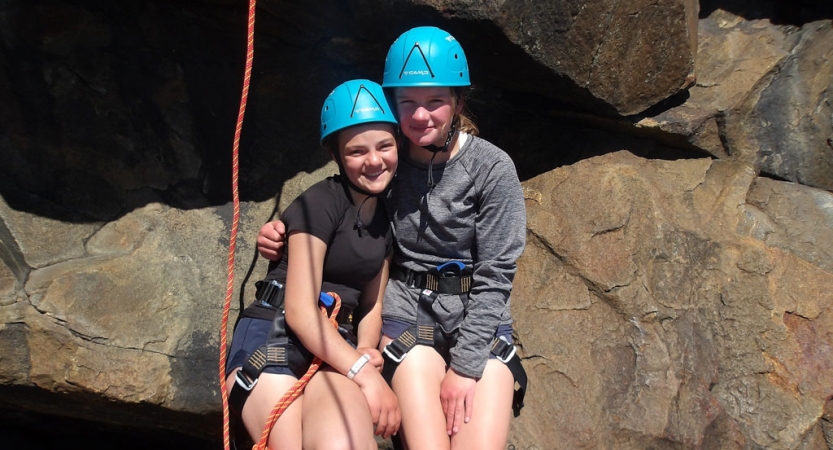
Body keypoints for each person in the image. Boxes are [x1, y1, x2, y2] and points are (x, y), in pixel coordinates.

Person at [257, 26, 527, 450]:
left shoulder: (492, 169)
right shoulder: (386, 157)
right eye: (408, 103)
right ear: (393, 104)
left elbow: (496, 274)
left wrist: (466, 367)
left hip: (479, 319)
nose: (421, 116)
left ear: (458, 102)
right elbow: (338, 201)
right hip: (407, 316)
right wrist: (282, 234)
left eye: (436, 101)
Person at [226, 79, 401, 450]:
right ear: (336, 156)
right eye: (356, 151)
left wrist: (367, 348)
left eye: (385, 145)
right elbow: (301, 313)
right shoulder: (320, 203)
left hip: (334, 345)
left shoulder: (386, 220)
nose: (374, 161)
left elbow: (372, 303)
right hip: (273, 335)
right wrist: (365, 375)